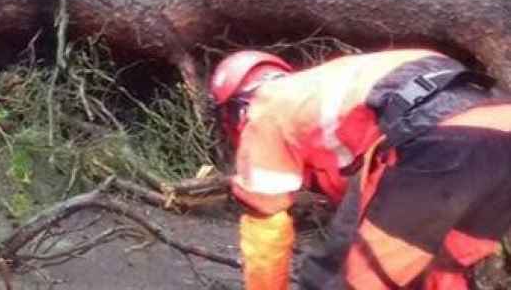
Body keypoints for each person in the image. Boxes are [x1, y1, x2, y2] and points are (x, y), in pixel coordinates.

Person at [212, 47, 511, 290]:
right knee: (439, 272)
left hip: (437, 139)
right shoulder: (328, 85)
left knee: (340, 274)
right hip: (502, 132)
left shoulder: (265, 108)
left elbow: (266, 231)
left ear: (235, 109)